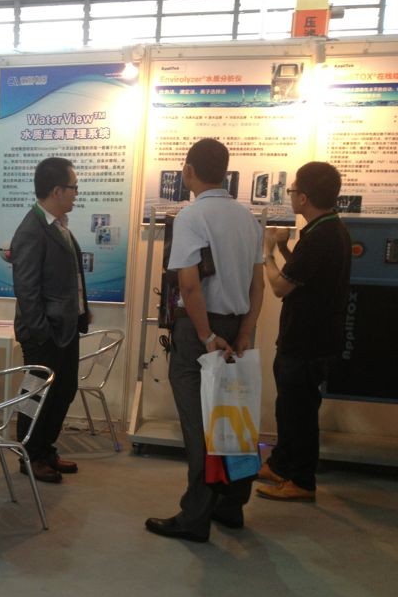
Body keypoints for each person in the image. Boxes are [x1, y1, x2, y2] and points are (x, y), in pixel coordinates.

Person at [146, 138, 264, 543]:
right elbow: (258, 285)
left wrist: (206, 335)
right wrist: (244, 332)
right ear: (225, 172)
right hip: (236, 327)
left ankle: (195, 516)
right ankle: (230, 505)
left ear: (189, 171)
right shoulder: (248, 219)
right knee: (232, 417)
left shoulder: (191, 216)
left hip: (201, 331)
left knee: (199, 427)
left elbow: (189, 285)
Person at [256, 162, 351, 502]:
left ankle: (301, 480)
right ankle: (280, 464)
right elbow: (304, 274)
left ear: (305, 197)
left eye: (293, 190)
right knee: (289, 406)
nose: (291, 195)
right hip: (306, 337)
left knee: (300, 412)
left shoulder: (321, 236)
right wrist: (284, 249)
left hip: (308, 341)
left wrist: (267, 253)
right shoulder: (327, 229)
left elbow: (281, 286)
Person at [11, 157, 90, 484]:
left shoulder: (58, 225)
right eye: (73, 187)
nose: (76, 193)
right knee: (36, 396)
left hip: (65, 328)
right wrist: (42, 332)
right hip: (45, 333)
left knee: (63, 390)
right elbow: (26, 290)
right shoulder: (31, 230)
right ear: (57, 190)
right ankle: (29, 455)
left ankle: (45, 450)